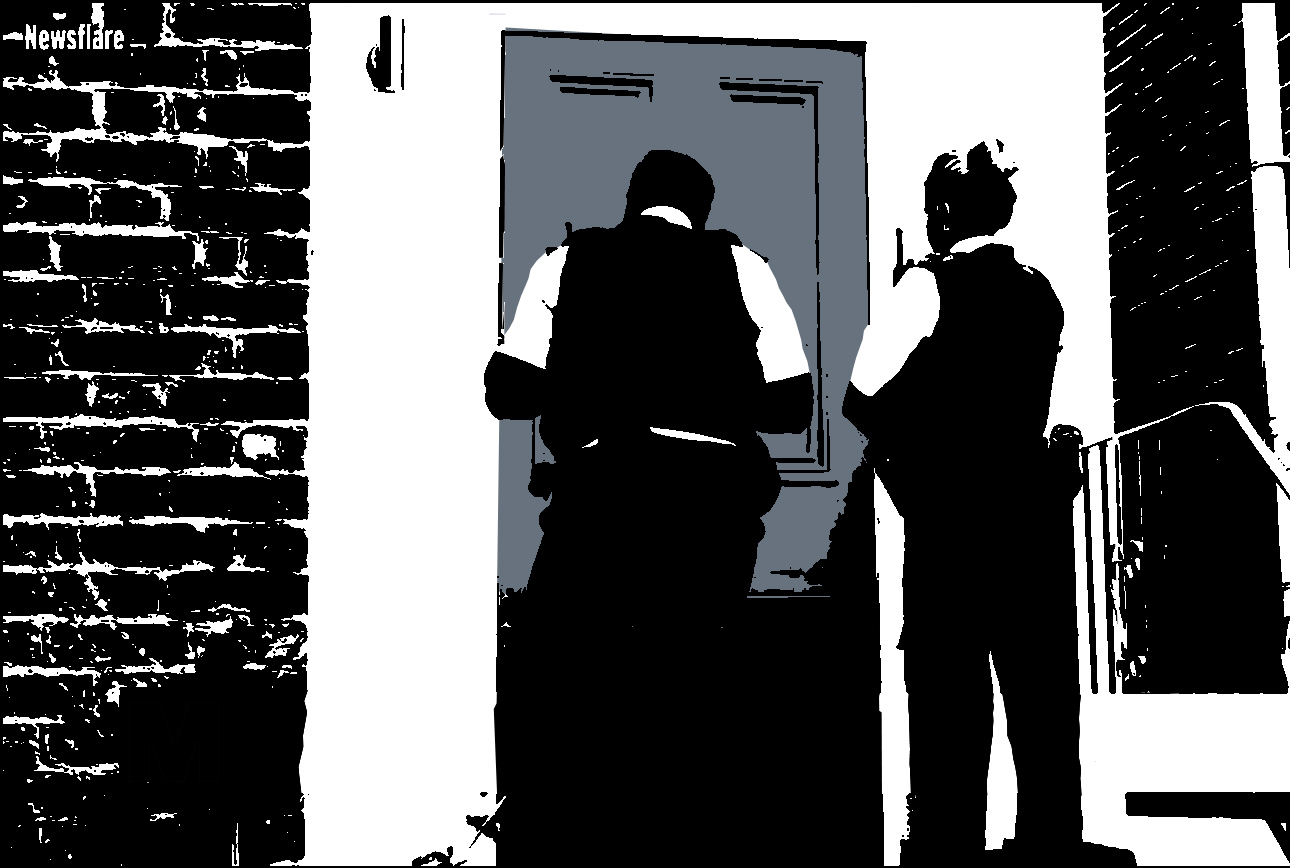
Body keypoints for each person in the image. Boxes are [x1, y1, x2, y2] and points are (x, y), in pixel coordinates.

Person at [485, 149, 813, 863]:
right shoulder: (745, 267)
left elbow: (505, 391)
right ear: (701, 211)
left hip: (601, 499)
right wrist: (706, 392)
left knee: (572, 692)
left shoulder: (566, 262)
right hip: (711, 511)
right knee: (690, 692)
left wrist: (593, 380)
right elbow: (793, 404)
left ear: (632, 203)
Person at [843, 140, 1136, 866]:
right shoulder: (1041, 292)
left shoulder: (925, 286)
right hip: (1030, 518)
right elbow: (1038, 406)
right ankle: (1050, 844)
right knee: (1042, 697)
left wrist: (912, 475)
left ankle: (947, 850)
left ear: (943, 211)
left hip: (952, 521)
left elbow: (861, 398)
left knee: (949, 696)